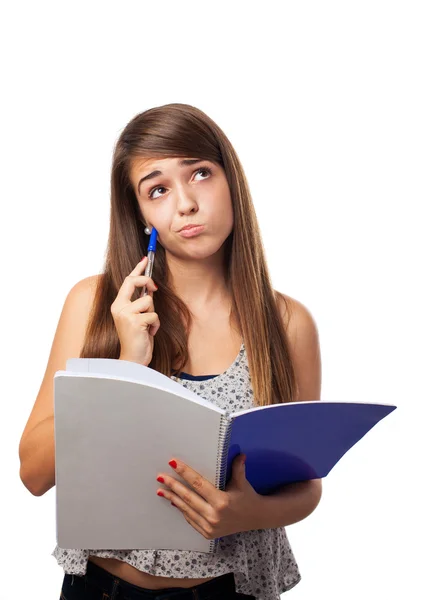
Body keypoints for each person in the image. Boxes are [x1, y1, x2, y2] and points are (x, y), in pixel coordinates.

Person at [18, 103, 323, 599]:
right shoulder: (94, 304)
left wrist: (247, 513)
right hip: (101, 588)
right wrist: (123, 368)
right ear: (141, 215)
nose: (185, 203)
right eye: (158, 189)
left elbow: (304, 486)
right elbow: (34, 473)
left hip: (229, 590)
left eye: (200, 173)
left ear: (231, 181)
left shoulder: (287, 324)